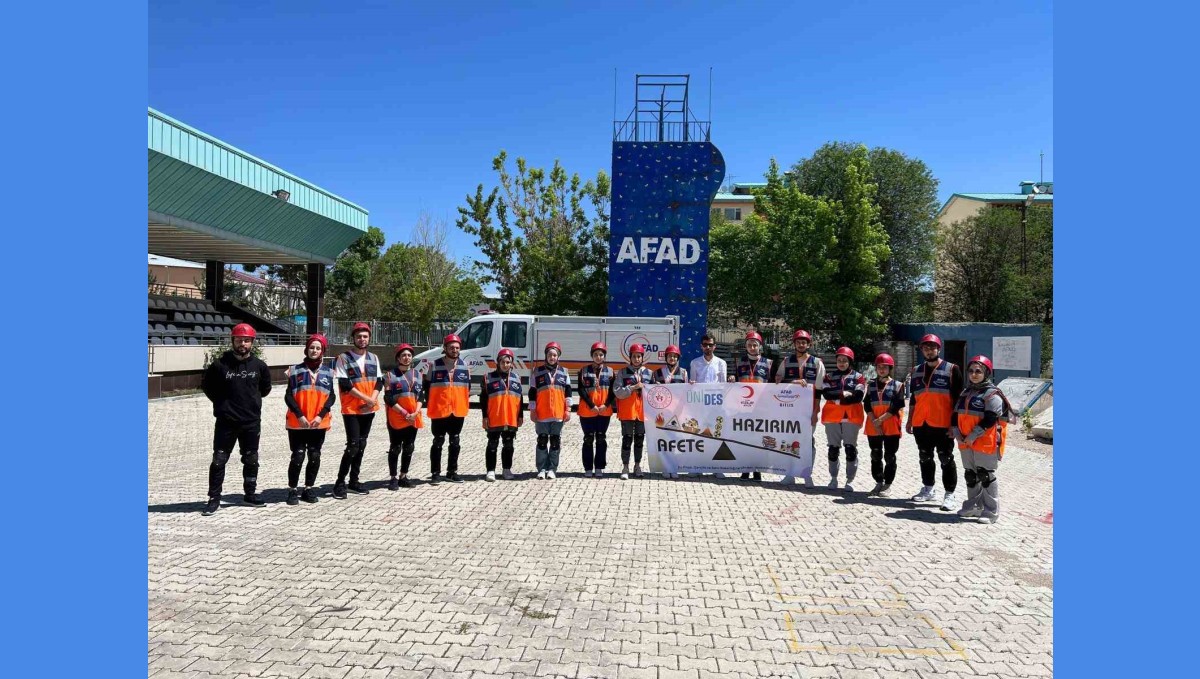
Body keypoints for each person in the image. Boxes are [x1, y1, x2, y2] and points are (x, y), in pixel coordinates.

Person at [200, 323, 272, 516]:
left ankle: (250, 494)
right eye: (239, 340)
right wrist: (223, 404)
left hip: (250, 422)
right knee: (218, 460)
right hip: (226, 422)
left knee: (251, 459)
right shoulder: (219, 365)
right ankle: (214, 498)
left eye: (246, 340)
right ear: (232, 341)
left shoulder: (260, 366)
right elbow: (207, 387)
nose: (242, 343)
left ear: (252, 343)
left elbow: (265, 390)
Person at [905, 334, 965, 511]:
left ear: (939, 349)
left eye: (932, 347)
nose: (929, 350)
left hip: (943, 424)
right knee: (925, 457)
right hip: (920, 424)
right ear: (921, 350)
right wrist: (909, 420)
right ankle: (928, 489)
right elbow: (914, 399)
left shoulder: (952, 369)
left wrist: (954, 425)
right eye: (925, 347)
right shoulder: (915, 371)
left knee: (946, 458)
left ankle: (949, 494)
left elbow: (958, 400)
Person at [953, 355, 1012, 524]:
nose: (974, 374)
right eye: (971, 371)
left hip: (985, 442)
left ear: (986, 372)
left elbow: (990, 419)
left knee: (985, 475)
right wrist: (958, 434)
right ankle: (973, 507)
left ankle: (991, 512)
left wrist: (972, 436)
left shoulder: (992, 394)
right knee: (971, 475)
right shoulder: (966, 392)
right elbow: (955, 415)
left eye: (978, 371)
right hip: (966, 442)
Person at [283, 333, 336, 505]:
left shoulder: (329, 372)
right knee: (298, 456)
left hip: (318, 423)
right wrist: (300, 416)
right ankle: (292, 490)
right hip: (298, 422)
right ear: (306, 349)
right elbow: (288, 396)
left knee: (314, 456)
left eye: (318, 348)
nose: (314, 350)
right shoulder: (294, 370)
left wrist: (321, 416)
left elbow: (331, 397)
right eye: (312, 347)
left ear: (322, 351)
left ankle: (308, 488)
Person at [333, 322, 383, 499]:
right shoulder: (343, 358)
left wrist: (373, 399)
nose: (362, 339)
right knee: (353, 445)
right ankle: (340, 482)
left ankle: (354, 480)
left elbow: (379, 381)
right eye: (359, 336)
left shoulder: (374, 358)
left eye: (365, 336)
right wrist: (367, 399)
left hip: (369, 409)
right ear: (353, 338)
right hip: (352, 409)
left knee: (362, 445)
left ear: (369, 338)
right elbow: (345, 385)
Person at [773, 329, 826, 487]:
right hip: (789, 410)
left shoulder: (817, 363)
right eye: (798, 342)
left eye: (804, 342)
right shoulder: (786, 361)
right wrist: (793, 382)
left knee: (807, 442)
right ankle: (789, 473)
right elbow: (778, 382)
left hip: (808, 410)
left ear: (809, 344)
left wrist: (815, 412)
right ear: (794, 344)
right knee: (788, 441)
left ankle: (806, 473)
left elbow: (819, 390)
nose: (801, 344)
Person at [424, 334, 471, 483]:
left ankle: (452, 472)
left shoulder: (465, 366)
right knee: (438, 441)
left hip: (457, 410)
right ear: (445, 348)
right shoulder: (434, 365)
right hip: (439, 410)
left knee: (455, 441)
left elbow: (467, 388)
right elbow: (426, 388)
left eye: (457, 347)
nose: (454, 350)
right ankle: (435, 473)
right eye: (451, 347)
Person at [820, 347, 867, 491]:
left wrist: (838, 396)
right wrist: (844, 394)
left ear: (850, 362)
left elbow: (858, 396)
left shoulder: (858, 377)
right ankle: (833, 478)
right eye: (839, 360)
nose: (841, 363)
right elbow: (826, 394)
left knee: (850, 449)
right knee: (833, 449)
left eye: (844, 360)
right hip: (832, 417)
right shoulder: (829, 376)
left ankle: (849, 480)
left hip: (851, 417)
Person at [862, 353, 905, 497]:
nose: (881, 369)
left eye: (884, 367)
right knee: (875, 454)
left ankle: (888, 484)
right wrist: (874, 420)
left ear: (890, 368)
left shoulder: (898, 385)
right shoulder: (870, 385)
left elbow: (896, 406)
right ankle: (878, 481)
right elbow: (867, 404)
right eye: (879, 367)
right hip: (873, 425)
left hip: (891, 425)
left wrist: (880, 420)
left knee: (890, 456)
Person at [529, 341, 572, 480]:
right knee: (542, 440)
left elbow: (569, 392)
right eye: (549, 355)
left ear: (558, 356)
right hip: (542, 413)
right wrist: (532, 410)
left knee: (555, 441)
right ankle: (541, 468)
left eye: (554, 355)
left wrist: (568, 409)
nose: (552, 357)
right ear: (546, 356)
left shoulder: (564, 372)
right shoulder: (537, 371)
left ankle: (552, 469)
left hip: (558, 413)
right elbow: (532, 392)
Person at [383, 343, 424, 490]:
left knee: (409, 447)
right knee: (395, 448)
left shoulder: (418, 375)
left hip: (413, 417)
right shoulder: (389, 375)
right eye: (403, 355)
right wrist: (404, 413)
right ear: (398, 358)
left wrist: (415, 413)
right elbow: (388, 398)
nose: (406, 358)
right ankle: (393, 478)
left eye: (409, 355)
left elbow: (421, 396)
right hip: (396, 416)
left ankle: (403, 476)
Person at [480, 348, 524, 481]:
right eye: (503, 362)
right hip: (495, 417)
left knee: (509, 445)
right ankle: (490, 471)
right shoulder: (488, 378)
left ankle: (506, 469)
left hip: (511, 417)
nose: (506, 365)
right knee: (492, 444)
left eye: (508, 362)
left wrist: (520, 415)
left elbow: (520, 399)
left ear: (512, 363)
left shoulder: (517, 378)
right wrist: (485, 416)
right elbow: (483, 399)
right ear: (498, 363)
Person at [688, 333, 728, 478]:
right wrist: (691, 384)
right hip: (700, 406)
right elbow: (692, 385)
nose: (708, 347)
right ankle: (696, 467)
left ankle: (717, 467)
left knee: (716, 435)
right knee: (698, 435)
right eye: (705, 345)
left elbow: (723, 386)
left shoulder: (721, 363)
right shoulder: (695, 363)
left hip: (716, 406)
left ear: (715, 346)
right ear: (701, 346)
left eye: (710, 345)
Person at [735, 331, 773, 481]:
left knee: (758, 439)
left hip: (760, 408)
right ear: (746, 346)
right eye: (749, 345)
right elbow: (734, 383)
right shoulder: (739, 362)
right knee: (745, 438)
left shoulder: (768, 363)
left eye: (754, 345)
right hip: (743, 407)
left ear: (760, 346)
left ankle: (757, 469)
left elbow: (773, 386)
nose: (752, 347)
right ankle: (745, 469)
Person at [614, 344, 654, 479]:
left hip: (643, 413)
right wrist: (633, 387)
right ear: (630, 357)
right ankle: (625, 467)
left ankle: (637, 465)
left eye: (639, 356)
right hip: (627, 412)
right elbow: (617, 392)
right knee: (627, 439)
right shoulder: (622, 372)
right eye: (634, 356)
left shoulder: (649, 373)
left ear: (642, 358)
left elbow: (654, 393)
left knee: (639, 440)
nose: (636, 359)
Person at [577, 342, 615, 478]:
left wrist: (606, 405)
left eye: (601, 354)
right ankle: (588, 467)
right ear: (592, 356)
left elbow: (612, 391)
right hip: (587, 411)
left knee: (600, 438)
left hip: (604, 411)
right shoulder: (583, 370)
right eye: (596, 354)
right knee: (588, 438)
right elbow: (581, 390)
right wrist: (591, 405)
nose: (598, 357)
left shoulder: (610, 371)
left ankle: (599, 467)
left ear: (604, 356)